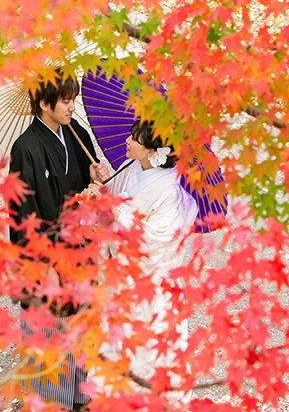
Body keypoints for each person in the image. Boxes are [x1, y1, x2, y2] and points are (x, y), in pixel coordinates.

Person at [8, 69, 109, 411]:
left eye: (73, 99)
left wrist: (94, 179)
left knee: (79, 322)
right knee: (49, 328)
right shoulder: (26, 148)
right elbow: (23, 212)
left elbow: (83, 190)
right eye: (65, 101)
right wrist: (42, 264)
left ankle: (79, 395)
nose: (72, 107)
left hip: (79, 247)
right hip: (47, 253)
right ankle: (52, 400)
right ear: (43, 102)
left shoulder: (76, 132)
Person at [85, 120, 197, 396]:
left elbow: (154, 243)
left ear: (151, 152)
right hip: (122, 283)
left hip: (151, 287)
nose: (128, 140)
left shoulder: (170, 193)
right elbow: (113, 209)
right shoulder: (132, 169)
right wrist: (102, 190)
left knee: (149, 354)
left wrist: (115, 212)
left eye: (135, 138)